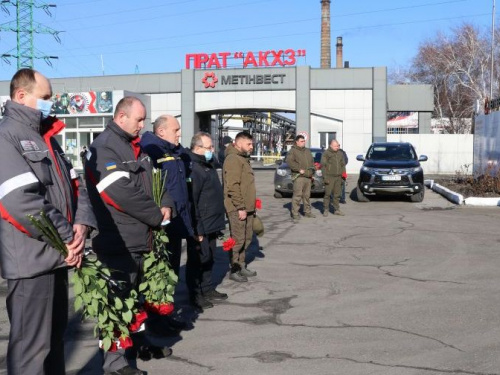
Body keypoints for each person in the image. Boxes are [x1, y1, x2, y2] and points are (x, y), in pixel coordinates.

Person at [0, 68, 97, 375]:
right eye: (44, 98)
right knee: (32, 352)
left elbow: (74, 184)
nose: (50, 104)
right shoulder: (7, 137)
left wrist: (81, 225)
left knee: (54, 345)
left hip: (56, 257)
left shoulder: (45, 137)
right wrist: (68, 237)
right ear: (21, 96)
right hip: (31, 263)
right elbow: (20, 201)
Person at [85, 96, 174, 375]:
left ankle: (139, 345)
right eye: (139, 119)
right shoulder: (104, 148)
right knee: (115, 303)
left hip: (140, 237)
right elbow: (120, 193)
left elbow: (156, 180)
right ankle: (114, 363)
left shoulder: (136, 147)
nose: (142, 124)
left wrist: (166, 203)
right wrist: (155, 216)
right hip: (117, 240)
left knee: (135, 298)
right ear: (121, 117)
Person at [187, 132, 228, 309]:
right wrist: (198, 229)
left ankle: (207, 288)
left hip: (212, 222)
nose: (213, 150)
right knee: (198, 260)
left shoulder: (207, 164)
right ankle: (195, 294)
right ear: (197, 148)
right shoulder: (194, 168)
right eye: (209, 147)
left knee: (210, 258)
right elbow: (193, 201)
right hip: (201, 224)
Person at [223, 131, 257, 282]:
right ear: (239, 143)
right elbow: (233, 186)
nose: (251, 147)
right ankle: (234, 269)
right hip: (238, 208)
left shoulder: (242, 159)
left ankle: (241, 265)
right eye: (249, 144)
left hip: (247, 207)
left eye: (252, 144)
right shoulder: (233, 159)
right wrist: (240, 207)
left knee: (246, 238)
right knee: (237, 240)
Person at [286, 135, 316, 223]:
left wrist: (312, 172)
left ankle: (307, 212)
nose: (304, 142)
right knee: (297, 196)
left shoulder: (307, 151)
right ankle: (295, 213)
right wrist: (299, 169)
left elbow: (311, 162)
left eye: (304, 141)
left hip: (308, 177)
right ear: (297, 142)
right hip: (299, 176)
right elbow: (290, 162)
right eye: (302, 141)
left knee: (307, 196)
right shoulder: (293, 151)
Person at [321, 139, 346, 216]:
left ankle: (336, 209)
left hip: (338, 177)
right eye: (335, 146)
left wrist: (344, 176)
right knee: (328, 194)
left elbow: (343, 165)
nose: (337, 147)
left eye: (338, 146)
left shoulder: (340, 153)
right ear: (331, 145)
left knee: (337, 194)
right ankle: (325, 209)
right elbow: (323, 166)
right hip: (329, 177)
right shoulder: (326, 153)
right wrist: (325, 177)